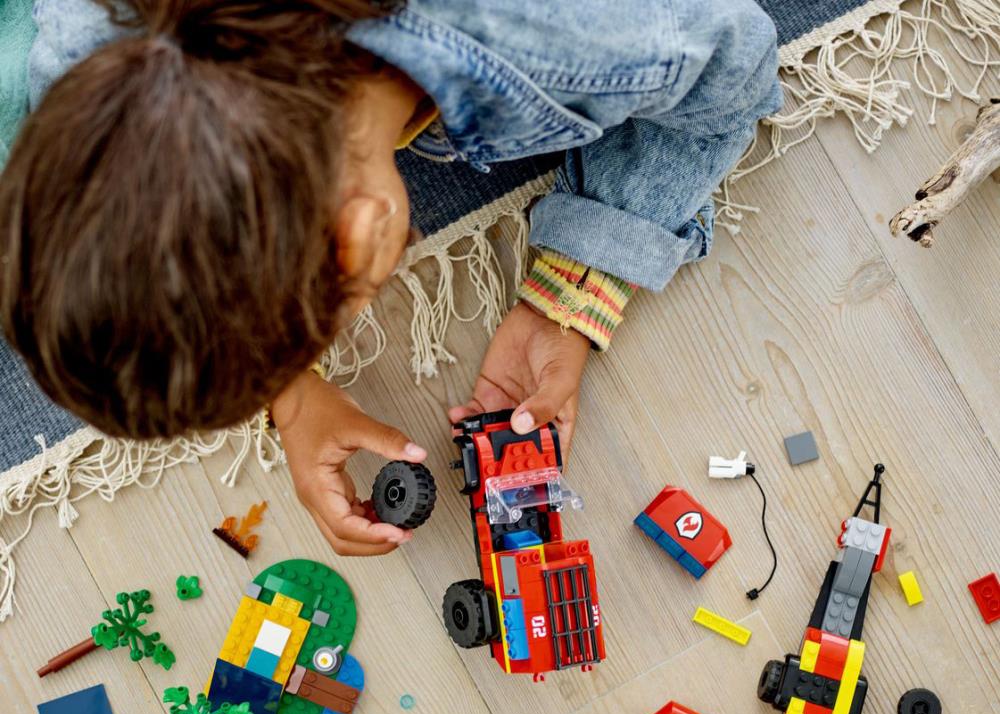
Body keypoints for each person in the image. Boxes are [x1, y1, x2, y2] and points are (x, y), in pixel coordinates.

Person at [0, 0, 782, 557]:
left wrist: (587, 279)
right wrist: (292, 392)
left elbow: (734, 67)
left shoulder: (556, 39)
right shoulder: (93, 66)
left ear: (371, 235)